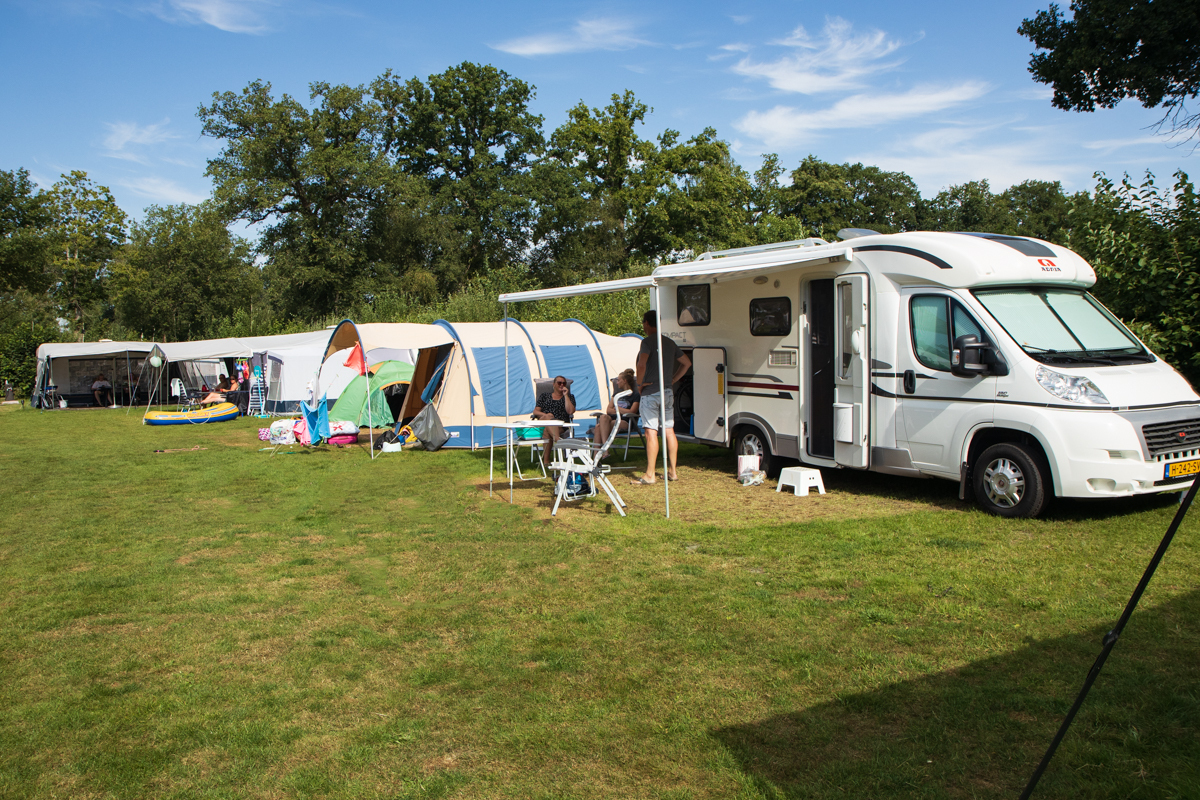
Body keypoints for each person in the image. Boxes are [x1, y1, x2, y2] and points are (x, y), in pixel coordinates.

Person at [633, 310, 691, 485]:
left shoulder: (647, 342)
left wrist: (640, 384)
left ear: (647, 324)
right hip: (667, 392)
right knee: (669, 431)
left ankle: (650, 474)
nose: (643, 326)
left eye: (643, 323)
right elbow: (686, 363)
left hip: (651, 392)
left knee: (651, 432)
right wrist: (673, 379)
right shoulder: (669, 342)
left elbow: (642, 364)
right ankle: (673, 471)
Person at [593, 368, 639, 455]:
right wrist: (622, 410)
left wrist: (617, 408)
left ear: (624, 381)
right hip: (613, 419)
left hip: (626, 421)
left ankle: (599, 454)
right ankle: (602, 453)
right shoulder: (616, 395)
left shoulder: (635, 395)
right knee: (603, 417)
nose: (617, 383)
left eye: (618, 380)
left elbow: (632, 411)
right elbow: (608, 410)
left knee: (599, 427)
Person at [532, 375, 576, 467]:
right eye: (559, 383)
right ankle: (558, 441)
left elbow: (570, 411)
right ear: (554, 384)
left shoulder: (570, 397)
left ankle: (546, 462)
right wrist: (547, 416)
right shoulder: (544, 396)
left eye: (564, 383)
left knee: (547, 430)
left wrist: (566, 396)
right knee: (549, 418)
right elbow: (536, 411)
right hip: (544, 422)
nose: (562, 385)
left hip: (561, 425)